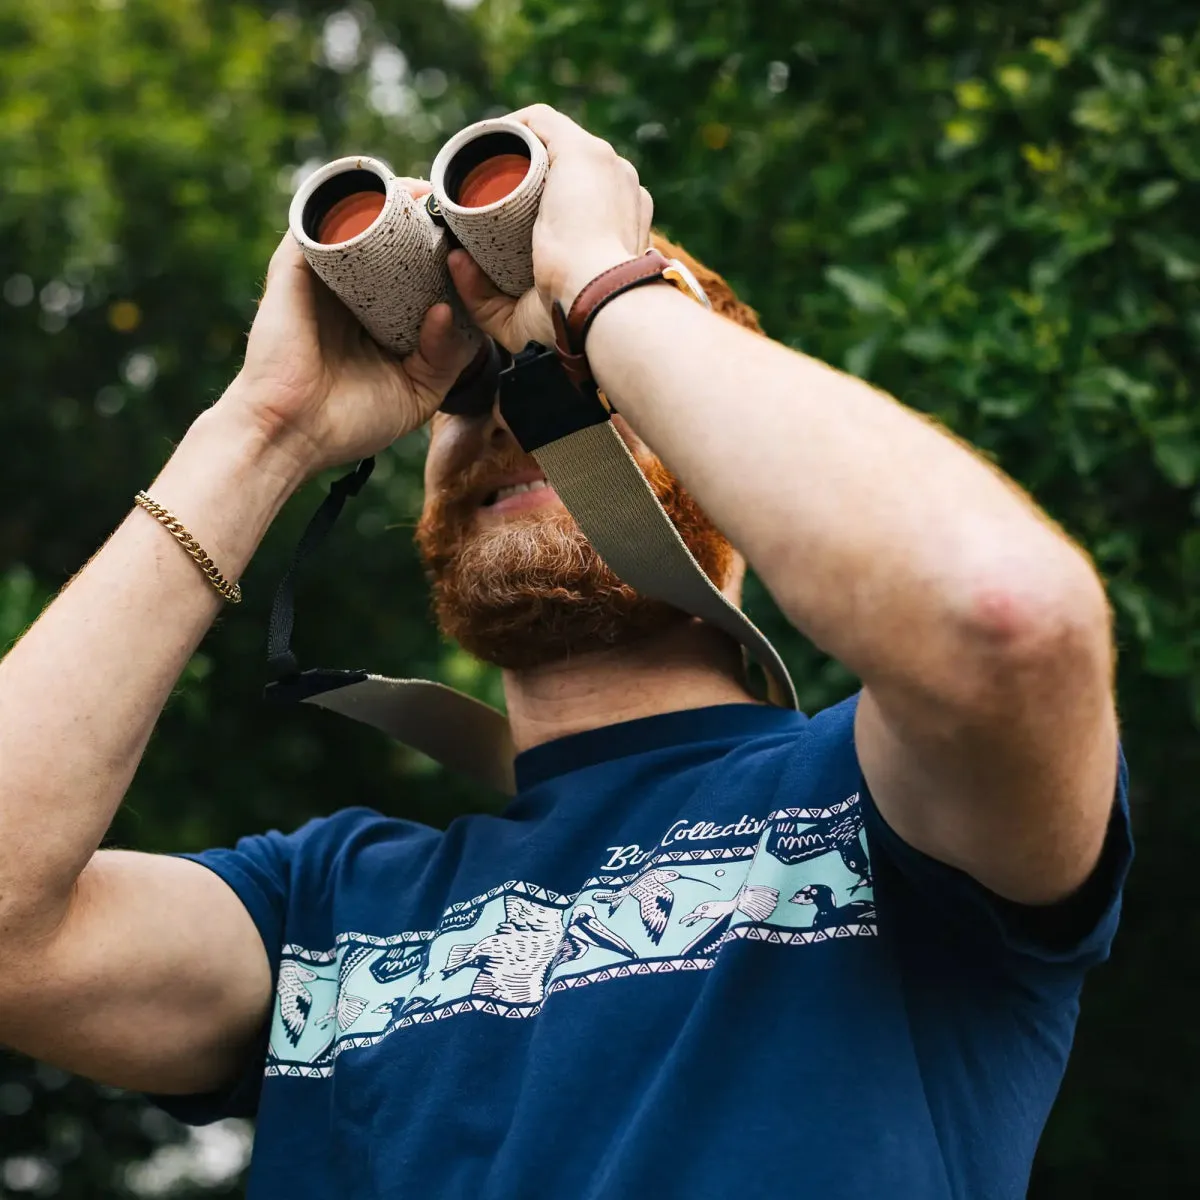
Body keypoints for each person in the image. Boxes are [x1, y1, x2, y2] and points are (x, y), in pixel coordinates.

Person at [0, 104, 1130, 1200]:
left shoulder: (885, 808)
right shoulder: (323, 910)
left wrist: (601, 289)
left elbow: (1004, 616)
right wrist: (262, 430)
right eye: (481, 387)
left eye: (583, 372)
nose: (518, 410)